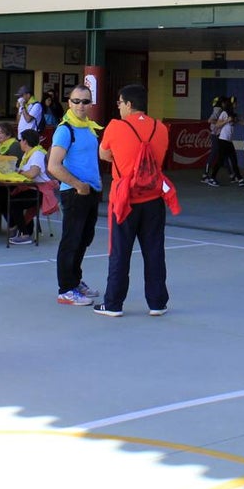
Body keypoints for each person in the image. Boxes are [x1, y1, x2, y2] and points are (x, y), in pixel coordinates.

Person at [94, 84, 171, 317]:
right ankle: (157, 303)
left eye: (119, 102)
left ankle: (113, 303)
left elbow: (104, 154)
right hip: (154, 199)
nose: (118, 107)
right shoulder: (161, 128)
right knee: (154, 251)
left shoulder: (116, 127)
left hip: (124, 199)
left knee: (120, 251)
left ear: (129, 104)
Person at [47, 84, 103, 306]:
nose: (81, 105)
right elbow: (53, 165)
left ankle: (75, 281)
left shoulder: (89, 127)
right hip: (74, 193)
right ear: (69, 103)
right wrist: (78, 185)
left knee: (83, 239)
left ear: (91, 104)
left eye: (85, 101)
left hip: (91, 191)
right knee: (71, 240)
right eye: (76, 101)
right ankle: (66, 289)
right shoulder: (65, 130)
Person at [8, 129, 52, 245]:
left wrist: (19, 172)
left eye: (20, 140)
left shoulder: (37, 154)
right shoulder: (27, 154)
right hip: (30, 188)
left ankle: (24, 234)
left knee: (15, 202)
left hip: (40, 191)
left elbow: (33, 173)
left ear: (25, 141)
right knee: (6, 197)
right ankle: (16, 227)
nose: (19, 142)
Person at [204, 96, 244, 187]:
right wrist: (226, 120)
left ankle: (240, 179)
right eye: (235, 103)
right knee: (220, 161)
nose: (236, 104)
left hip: (228, 141)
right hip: (223, 140)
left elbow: (240, 122)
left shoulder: (232, 114)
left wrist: (239, 121)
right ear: (231, 104)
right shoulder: (224, 113)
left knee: (234, 160)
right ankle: (212, 178)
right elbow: (217, 125)